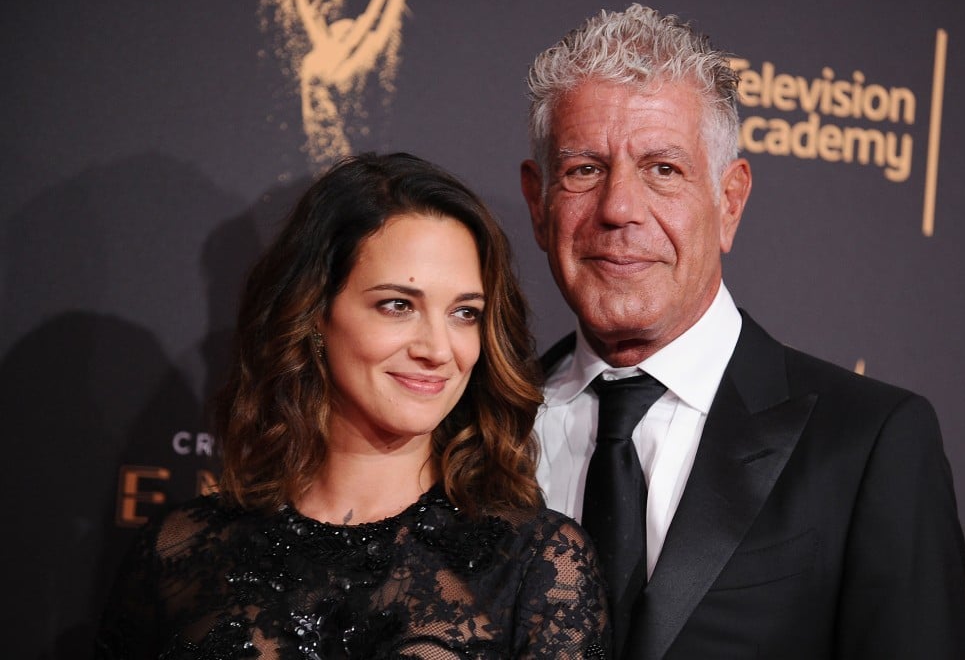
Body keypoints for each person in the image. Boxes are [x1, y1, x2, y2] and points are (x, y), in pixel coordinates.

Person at [520, 4, 965, 660]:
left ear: (729, 200)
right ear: (538, 204)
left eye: (663, 170)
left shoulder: (870, 443)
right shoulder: (478, 428)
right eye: (584, 169)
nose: (618, 208)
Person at [95, 152, 610, 659]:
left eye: (464, 313)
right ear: (314, 314)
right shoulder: (178, 551)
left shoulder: (536, 563)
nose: (437, 348)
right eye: (397, 305)